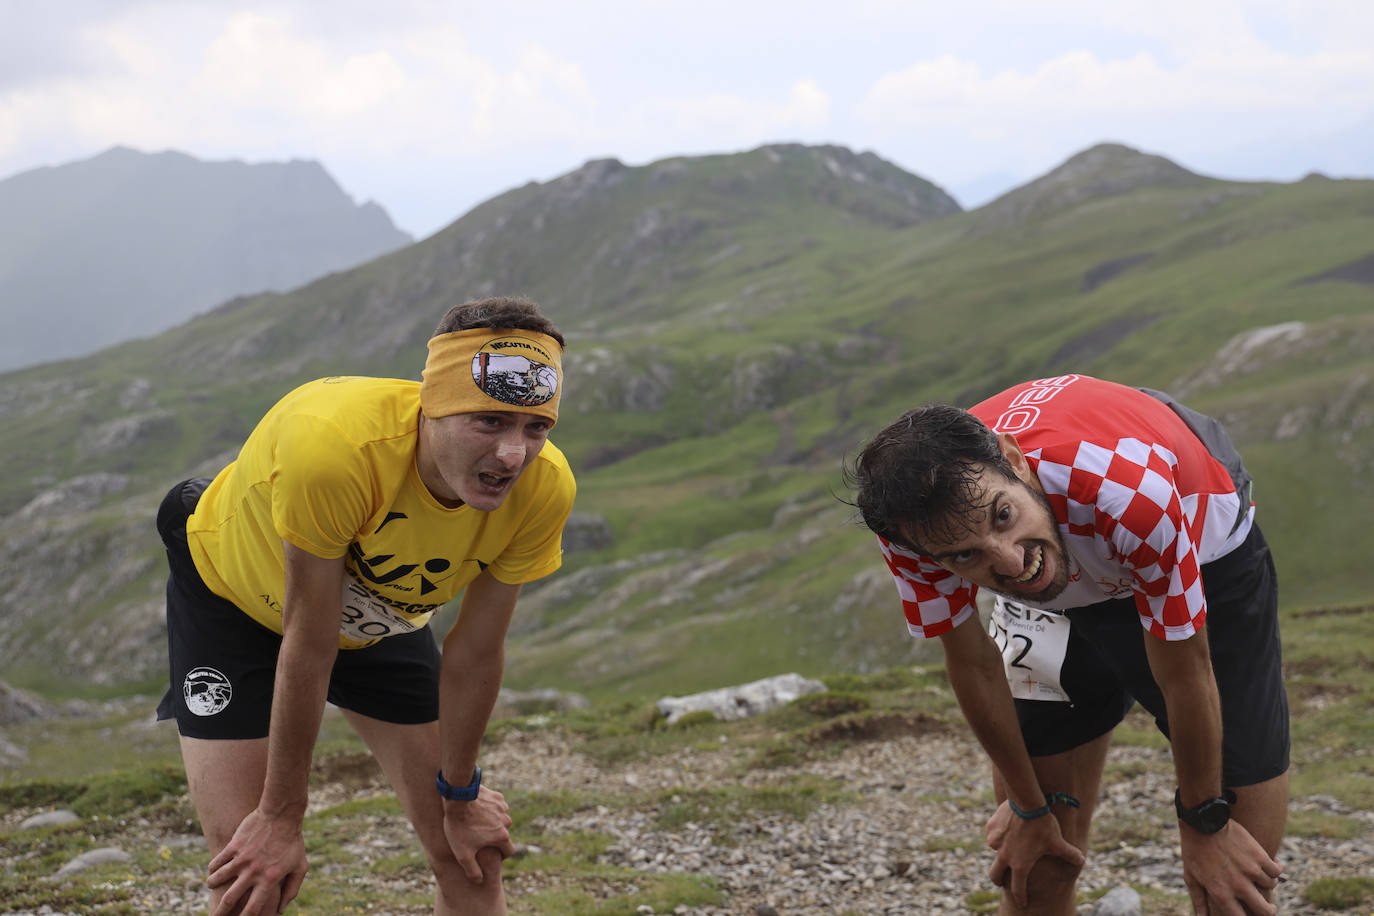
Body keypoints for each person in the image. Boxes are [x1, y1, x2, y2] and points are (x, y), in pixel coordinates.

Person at [155, 296, 576, 916]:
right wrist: (280, 814)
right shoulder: (335, 449)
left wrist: (461, 795)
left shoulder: (543, 489)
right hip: (233, 600)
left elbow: (475, 653)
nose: (513, 455)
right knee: (251, 873)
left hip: (378, 615)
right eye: (488, 421)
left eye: (534, 428)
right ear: (432, 406)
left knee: (472, 855)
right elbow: (308, 639)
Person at [848, 374, 1289, 916]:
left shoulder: (1131, 494)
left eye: (1003, 516)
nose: (1009, 562)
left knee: (1229, 882)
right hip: (1056, 570)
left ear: (1015, 460)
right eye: (965, 556)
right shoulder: (917, 532)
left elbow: (1186, 672)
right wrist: (1028, 808)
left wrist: (1205, 819)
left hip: (1194, 547)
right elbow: (973, 663)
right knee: (1034, 871)